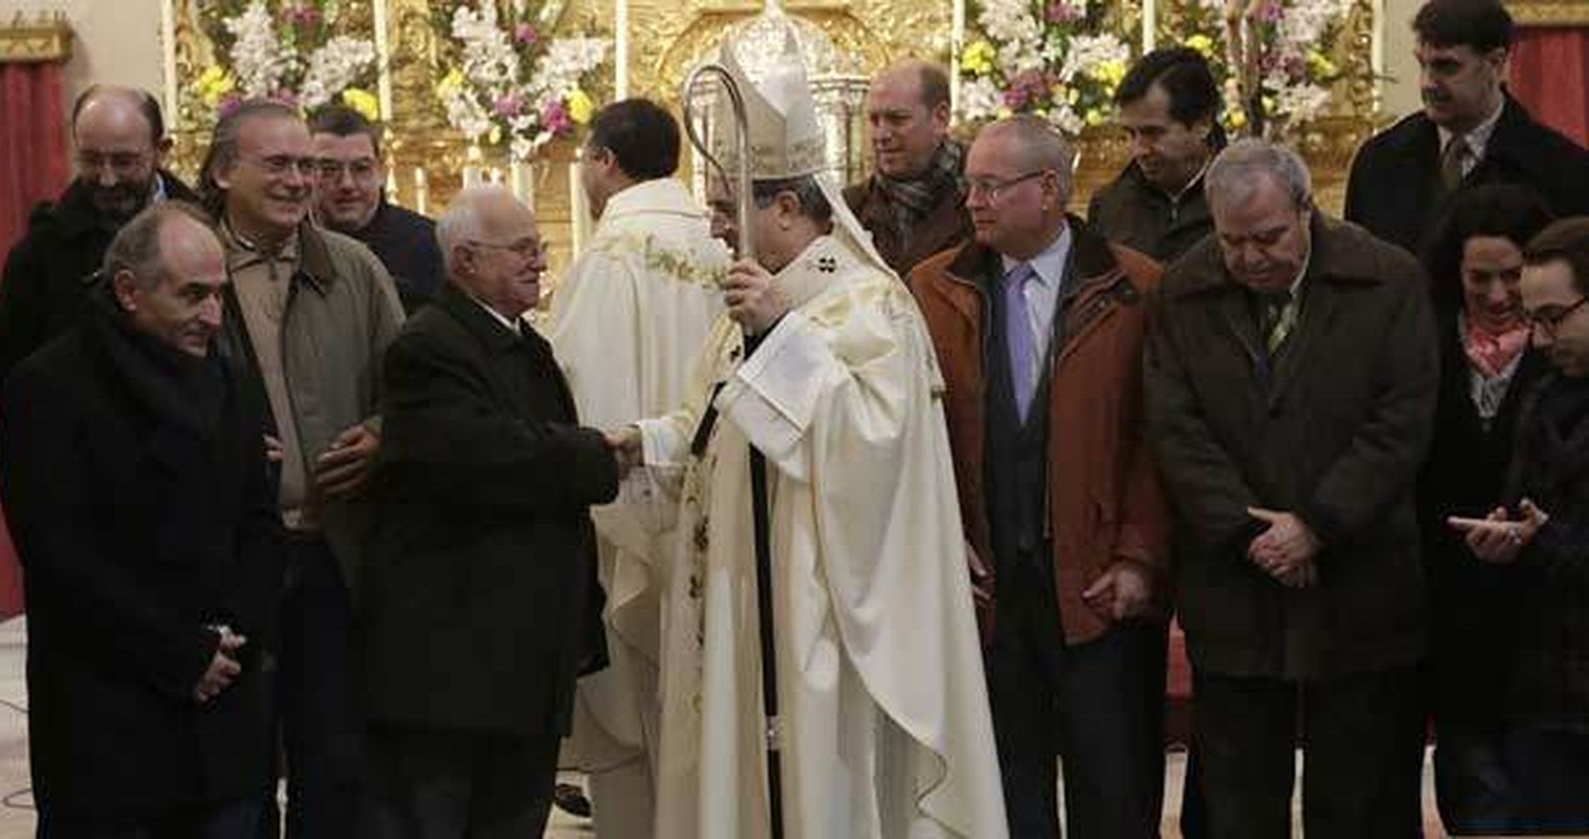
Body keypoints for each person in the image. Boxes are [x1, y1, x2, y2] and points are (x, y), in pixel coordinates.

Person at [604, 42, 1008, 839]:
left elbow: (876, 451)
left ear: (788, 208)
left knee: (814, 780)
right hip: (734, 592)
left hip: (816, 607)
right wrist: (644, 440)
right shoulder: (754, 305)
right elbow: (709, 428)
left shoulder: (869, 307)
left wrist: (782, 336)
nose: (715, 227)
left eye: (728, 207)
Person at [1145, 139, 1437, 838]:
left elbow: (1402, 420)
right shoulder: (1184, 289)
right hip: (1234, 584)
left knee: (1362, 791)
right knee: (1237, 798)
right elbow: (1175, 427)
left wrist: (1317, 522)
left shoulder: (1387, 279)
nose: (1249, 258)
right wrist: (1250, 532)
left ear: (1307, 210)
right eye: (1232, 241)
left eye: (1268, 237)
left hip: (1360, 578)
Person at [909, 116, 1171, 838]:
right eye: (971, 185)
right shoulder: (934, 289)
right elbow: (913, 435)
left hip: (1097, 582)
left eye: (992, 186)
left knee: (1113, 782)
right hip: (988, 584)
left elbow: (1161, 440)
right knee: (1004, 787)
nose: (974, 202)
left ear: (1050, 189)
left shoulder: (1134, 288)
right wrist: (942, 538)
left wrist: (1139, 555)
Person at [0, 200, 284, 838]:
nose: (213, 317)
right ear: (128, 289)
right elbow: (62, 556)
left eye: (219, 295)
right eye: (192, 296)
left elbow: (258, 521)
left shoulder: (226, 378)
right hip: (111, 716)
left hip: (225, 706)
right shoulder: (47, 389)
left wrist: (229, 637)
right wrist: (180, 653)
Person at [357, 185, 620, 839]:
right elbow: (491, 457)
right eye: (523, 250)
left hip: (517, 652)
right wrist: (600, 454)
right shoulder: (428, 347)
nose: (539, 261)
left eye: (540, 247)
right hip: (455, 659)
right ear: (466, 260)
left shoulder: (516, 338)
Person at [197, 98, 406, 838]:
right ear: (224, 170)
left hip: (333, 551)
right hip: (227, 560)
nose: (299, 181)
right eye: (278, 164)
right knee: (235, 767)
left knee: (334, 762)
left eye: (306, 166)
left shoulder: (354, 268)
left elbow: (412, 391)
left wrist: (383, 434)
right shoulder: (187, 266)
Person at [546, 97, 728, 839]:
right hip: (716, 502)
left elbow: (578, 391)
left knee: (631, 714)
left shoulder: (610, 255)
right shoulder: (723, 243)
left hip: (629, 500)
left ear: (605, 162)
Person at [1415, 184, 1553, 834]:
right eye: (1480, 279)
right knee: (1473, 786)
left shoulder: (1566, 350)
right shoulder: (1425, 341)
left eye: (1513, 278)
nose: (1498, 298)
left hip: (1546, 605)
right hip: (1449, 597)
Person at [1447, 217, 1589, 832]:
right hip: (1546, 682)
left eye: (1555, 317)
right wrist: (1502, 540)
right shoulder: (1543, 398)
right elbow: (1526, 511)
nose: (1539, 339)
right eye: (1536, 321)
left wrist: (1549, 540)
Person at [0, 85, 196, 398]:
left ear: (161, 150)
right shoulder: (41, 251)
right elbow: (10, 371)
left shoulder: (207, 232)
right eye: (91, 160)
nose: (107, 178)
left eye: (124, 162)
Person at [1344, 0, 1589, 256]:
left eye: (1446, 66)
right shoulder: (1379, 160)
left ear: (1496, 64)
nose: (1427, 83)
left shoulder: (1562, 171)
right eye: (1422, 64)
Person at [1088, 47, 1224, 263]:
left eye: (1153, 133)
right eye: (1131, 134)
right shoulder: (1109, 205)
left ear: (1203, 124)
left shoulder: (1246, 198)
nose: (1138, 150)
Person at [843, 58, 972, 277]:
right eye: (874, 120)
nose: (881, 135)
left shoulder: (986, 196)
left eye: (897, 119)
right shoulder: (849, 210)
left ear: (940, 118)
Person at [308, 104, 442, 311]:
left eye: (361, 168)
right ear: (305, 172)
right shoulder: (286, 244)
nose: (347, 184)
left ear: (381, 172)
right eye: (329, 169)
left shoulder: (429, 244)